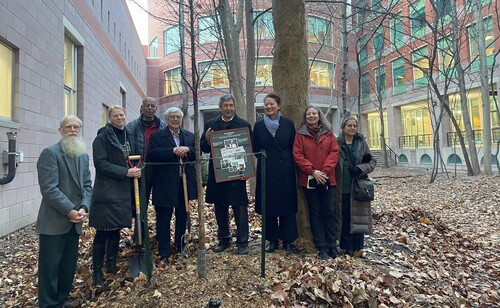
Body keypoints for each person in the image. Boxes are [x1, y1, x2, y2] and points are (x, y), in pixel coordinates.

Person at [36, 115, 92, 307]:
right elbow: (49, 189)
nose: (73, 130)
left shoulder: (83, 155)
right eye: (68, 127)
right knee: (49, 267)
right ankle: (48, 304)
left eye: (77, 127)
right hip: (54, 221)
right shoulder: (50, 153)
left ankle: (61, 299)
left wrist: (84, 207)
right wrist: (70, 210)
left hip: (76, 221)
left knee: (67, 266)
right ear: (60, 130)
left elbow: (87, 185)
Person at [89, 105, 140, 287]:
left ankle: (111, 264)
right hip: (107, 191)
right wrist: (125, 172)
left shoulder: (129, 135)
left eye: (122, 115)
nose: (120, 118)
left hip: (123, 191)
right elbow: (101, 164)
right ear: (109, 118)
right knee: (103, 230)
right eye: (115, 115)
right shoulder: (102, 138)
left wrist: (134, 172)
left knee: (116, 228)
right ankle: (97, 271)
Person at [201, 94, 252, 255]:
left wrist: (248, 171)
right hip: (218, 173)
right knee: (220, 208)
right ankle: (224, 239)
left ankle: (243, 242)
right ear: (220, 107)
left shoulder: (243, 125)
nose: (228, 108)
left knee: (240, 209)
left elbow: (248, 150)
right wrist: (208, 140)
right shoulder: (211, 124)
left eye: (231, 105)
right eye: (225, 106)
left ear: (235, 107)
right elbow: (204, 148)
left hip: (238, 174)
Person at [148, 107, 197, 261]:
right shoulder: (157, 137)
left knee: (182, 217)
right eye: (172, 117)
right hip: (164, 185)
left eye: (178, 117)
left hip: (184, 185)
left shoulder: (189, 136)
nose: (175, 119)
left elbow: (198, 152)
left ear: (181, 119)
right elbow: (152, 154)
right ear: (167, 119)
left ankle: (180, 246)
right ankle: (164, 251)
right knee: (164, 219)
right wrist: (172, 150)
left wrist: (188, 149)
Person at [293, 106, 340, 260]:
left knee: (329, 212)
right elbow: (297, 155)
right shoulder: (300, 134)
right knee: (315, 213)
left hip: (327, 179)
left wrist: (324, 172)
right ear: (305, 117)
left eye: (314, 113)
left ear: (319, 116)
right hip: (309, 179)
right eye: (308, 114)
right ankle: (322, 247)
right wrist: (313, 171)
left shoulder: (328, 134)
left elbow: (334, 152)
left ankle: (332, 245)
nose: (312, 116)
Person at [253, 93, 298, 253]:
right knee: (268, 206)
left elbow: (294, 146)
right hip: (267, 171)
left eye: (272, 104)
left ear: (278, 106)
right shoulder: (258, 126)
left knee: (287, 206)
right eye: (266, 104)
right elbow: (255, 148)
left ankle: (288, 241)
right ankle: (271, 240)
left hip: (286, 170)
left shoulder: (288, 124)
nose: (269, 107)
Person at [126, 97, 167, 240]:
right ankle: (140, 236)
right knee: (139, 203)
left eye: (152, 106)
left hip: (159, 169)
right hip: (140, 167)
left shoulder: (163, 125)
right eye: (147, 105)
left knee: (161, 203)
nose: (150, 108)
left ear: (156, 108)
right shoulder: (131, 127)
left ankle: (161, 235)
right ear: (141, 108)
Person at [336, 116, 376, 257]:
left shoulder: (361, 143)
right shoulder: (337, 143)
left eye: (355, 126)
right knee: (344, 218)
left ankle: (358, 248)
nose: (352, 128)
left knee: (359, 218)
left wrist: (360, 168)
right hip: (341, 187)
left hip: (358, 187)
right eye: (349, 126)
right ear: (343, 127)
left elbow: (372, 162)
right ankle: (345, 246)